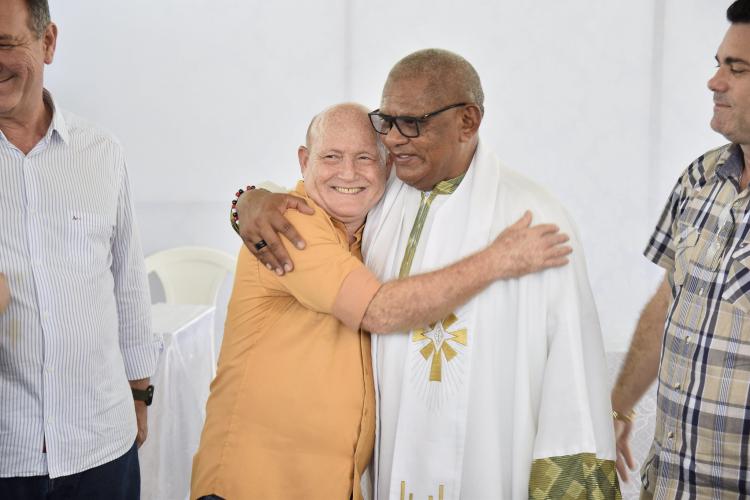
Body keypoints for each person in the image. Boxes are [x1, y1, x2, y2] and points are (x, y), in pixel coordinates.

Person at [234, 50, 620, 499]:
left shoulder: (532, 218)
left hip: (486, 461)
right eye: (387, 121)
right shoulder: (384, 196)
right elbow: (316, 204)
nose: (393, 140)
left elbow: (571, 367)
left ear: (468, 122)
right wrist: (248, 201)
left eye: (412, 123)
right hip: (324, 467)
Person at [0, 1, 159, 499]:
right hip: (8, 453)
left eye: (5, 44)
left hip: (101, 444)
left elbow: (127, 282)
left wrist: (139, 392)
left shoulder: (101, 152)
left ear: (47, 42)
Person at [612, 0, 750, 497]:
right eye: (718, 65)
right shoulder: (700, 178)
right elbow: (672, 297)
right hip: (670, 483)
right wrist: (619, 405)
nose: (715, 82)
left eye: (736, 69)